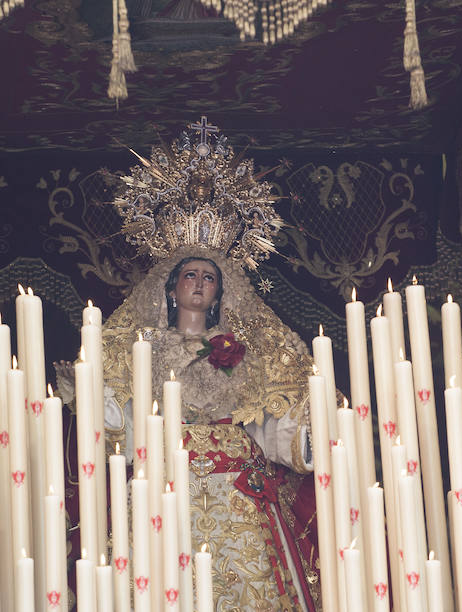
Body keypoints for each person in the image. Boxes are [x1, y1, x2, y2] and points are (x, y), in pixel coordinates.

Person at [100, 245, 318, 610]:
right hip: (166, 474)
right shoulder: (144, 347)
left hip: (236, 487)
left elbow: (266, 421)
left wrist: (308, 427)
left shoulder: (245, 350)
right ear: (171, 290)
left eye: (209, 277)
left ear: (219, 292)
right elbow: (126, 419)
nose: (199, 283)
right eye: (190, 275)